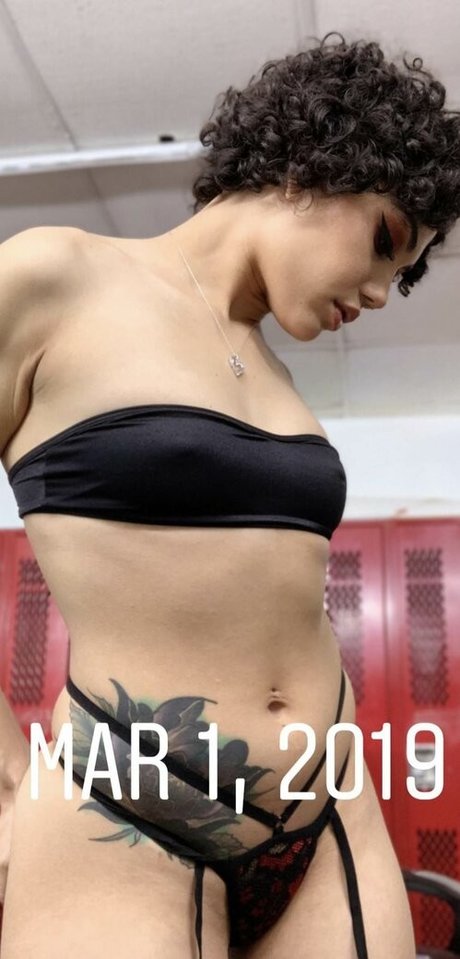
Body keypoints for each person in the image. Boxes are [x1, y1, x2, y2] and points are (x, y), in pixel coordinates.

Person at [0, 31, 459, 959]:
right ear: (313, 161)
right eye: (384, 240)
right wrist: (9, 783)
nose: (380, 291)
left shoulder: (280, 380)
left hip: (331, 811)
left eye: (402, 275)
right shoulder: (54, 275)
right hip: (125, 807)